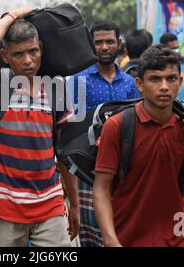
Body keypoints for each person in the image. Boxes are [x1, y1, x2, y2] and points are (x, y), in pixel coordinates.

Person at [93, 44, 184, 247]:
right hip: (127, 237)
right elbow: (101, 187)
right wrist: (109, 238)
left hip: (177, 237)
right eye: (155, 79)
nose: (164, 86)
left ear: (180, 82)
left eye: (171, 78)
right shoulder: (117, 126)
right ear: (139, 84)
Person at [0, 8, 80, 247]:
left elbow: (63, 154)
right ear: (5, 56)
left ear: (41, 48)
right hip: (2, 206)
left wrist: (73, 205)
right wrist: (16, 14)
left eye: (33, 51)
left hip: (49, 204)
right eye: (18, 54)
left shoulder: (57, 90)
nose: (28, 60)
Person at [68, 20, 139, 247]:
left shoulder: (129, 82)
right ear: (91, 45)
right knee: (91, 236)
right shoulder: (78, 80)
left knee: (121, 230)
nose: (105, 47)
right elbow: (69, 129)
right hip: (89, 170)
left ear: (119, 44)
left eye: (110, 41)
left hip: (124, 169)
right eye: (98, 42)